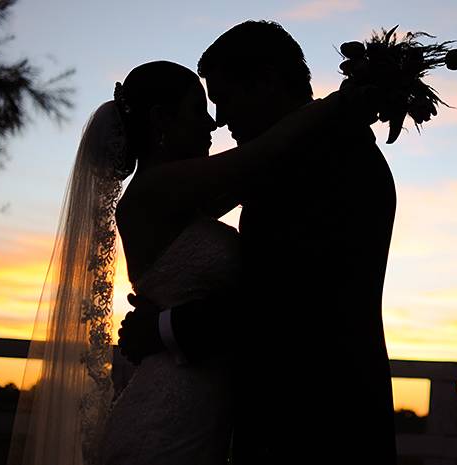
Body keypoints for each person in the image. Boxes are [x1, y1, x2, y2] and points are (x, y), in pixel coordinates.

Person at [8, 58, 378, 465]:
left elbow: (257, 175)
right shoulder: (155, 189)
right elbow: (259, 157)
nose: (212, 124)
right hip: (169, 417)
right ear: (161, 120)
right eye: (198, 109)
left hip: (196, 405)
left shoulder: (185, 198)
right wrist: (341, 102)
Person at [118, 21, 398, 465]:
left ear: (266, 81)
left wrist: (164, 327)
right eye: (206, 107)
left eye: (224, 98)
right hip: (270, 426)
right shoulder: (286, 160)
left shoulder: (333, 156)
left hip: (321, 429)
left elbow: (294, 296)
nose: (221, 119)